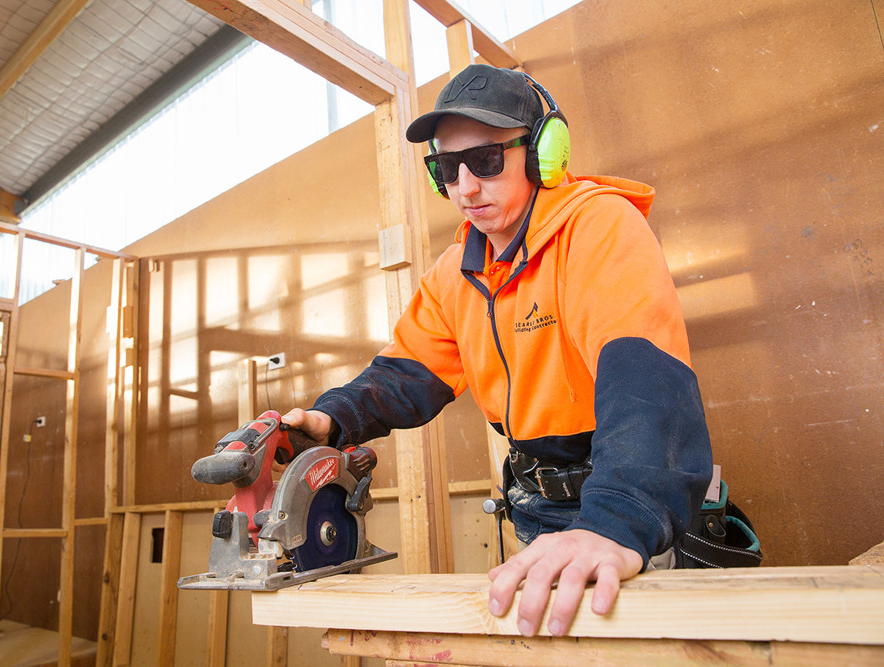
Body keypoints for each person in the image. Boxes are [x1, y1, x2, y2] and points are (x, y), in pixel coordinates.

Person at [282, 63, 712, 637]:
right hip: (540, 509)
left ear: (542, 152)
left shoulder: (599, 228)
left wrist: (617, 524)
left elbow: (643, 383)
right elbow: (408, 373)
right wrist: (331, 418)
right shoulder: (453, 276)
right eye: (446, 168)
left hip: (622, 500)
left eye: (485, 161)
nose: (464, 187)